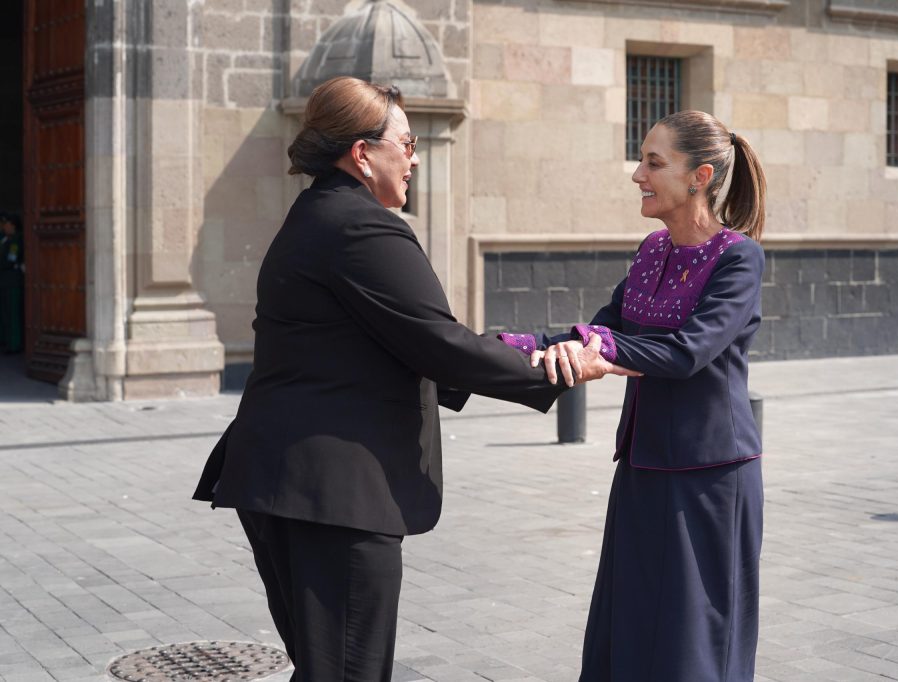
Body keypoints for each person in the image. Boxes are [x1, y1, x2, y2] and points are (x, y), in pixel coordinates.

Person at [192, 76, 635, 682]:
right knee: (349, 671)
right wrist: (558, 368)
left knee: (326, 669)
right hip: (333, 493)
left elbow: (396, 341)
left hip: (290, 482)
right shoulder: (361, 226)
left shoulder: (318, 212)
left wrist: (530, 348)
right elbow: (439, 343)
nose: (415, 156)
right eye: (406, 142)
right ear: (362, 152)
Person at [507, 111, 767, 681]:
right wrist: (508, 347)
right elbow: (603, 329)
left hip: (711, 477)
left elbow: (686, 353)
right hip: (643, 466)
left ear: (700, 176)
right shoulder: (652, 249)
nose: (637, 174)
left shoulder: (738, 259)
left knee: (693, 637)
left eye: (653, 162)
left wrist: (604, 355)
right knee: (628, 622)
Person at [0, 212, 24, 354]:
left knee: (13, 314)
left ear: (13, 225)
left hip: (12, 282)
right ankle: (7, 341)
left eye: (6, 224)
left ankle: (15, 344)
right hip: (5, 282)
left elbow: (11, 259)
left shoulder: (16, 240)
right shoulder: (5, 240)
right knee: (5, 313)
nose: (4, 227)